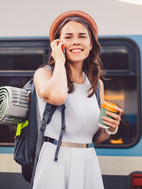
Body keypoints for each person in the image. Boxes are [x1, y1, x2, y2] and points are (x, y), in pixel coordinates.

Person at [32, 10, 123, 189]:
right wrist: (59, 60)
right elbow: (57, 97)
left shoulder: (96, 85)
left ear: (90, 45)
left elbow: (94, 137)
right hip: (55, 163)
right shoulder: (44, 74)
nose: (76, 41)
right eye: (68, 37)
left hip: (87, 161)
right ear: (58, 44)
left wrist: (110, 128)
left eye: (82, 36)